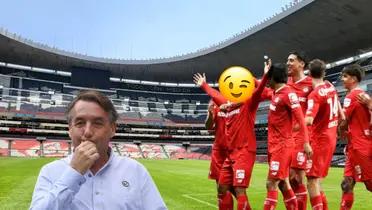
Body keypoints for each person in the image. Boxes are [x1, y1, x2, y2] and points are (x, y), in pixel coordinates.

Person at [30, 90, 167, 210]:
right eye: (80, 123)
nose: (88, 132)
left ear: (112, 129)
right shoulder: (51, 172)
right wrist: (74, 173)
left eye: (97, 123)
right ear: (70, 130)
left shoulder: (135, 171)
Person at [193, 60, 271, 210]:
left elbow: (259, 91)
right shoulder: (224, 104)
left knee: (238, 189)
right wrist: (204, 86)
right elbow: (215, 98)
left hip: (243, 151)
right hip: (227, 152)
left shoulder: (247, 101)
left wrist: (265, 76)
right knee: (222, 188)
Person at [263, 63, 308, 210]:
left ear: (273, 78)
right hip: (273, 146)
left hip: (282, 146)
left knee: (271, 183)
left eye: (268, 78)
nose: (266, 81)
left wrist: (306, 143)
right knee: (282, 183)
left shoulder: (288, 94)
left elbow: (301, 119)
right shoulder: (277, 93)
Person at [304, 59, 340, 210]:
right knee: (317, 180)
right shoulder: (331, 87)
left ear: (309, 74)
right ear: (324, 73)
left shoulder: (315, 94)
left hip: (320, 140)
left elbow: (309, 120)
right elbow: (341, 114)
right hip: (331, 138)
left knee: (311, 180)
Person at [339, 64, 372, 210]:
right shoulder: (364, 96)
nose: (342, 79)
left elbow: (344, 123)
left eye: (345, 76)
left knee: (370, 185)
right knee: (347, 183)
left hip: (360, 147)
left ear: (353, 79)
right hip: (354, 146)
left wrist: (338, 130)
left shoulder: (351, 96)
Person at [285, 51, 313, 210]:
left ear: (302, 64)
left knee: (298, 176)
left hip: (302, 137)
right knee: (287, 178)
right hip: (284, 138)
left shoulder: (311, 84)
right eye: (287, 61)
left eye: (291, 60)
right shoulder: (285, 83)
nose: (288, 63)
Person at [205, 100, 234, 209]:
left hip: (234, 149)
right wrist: (210, 115)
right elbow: (208, 127)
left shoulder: (238, 97)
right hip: (219, 151)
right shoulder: (214, 102)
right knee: (220, 188)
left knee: (236, 188)